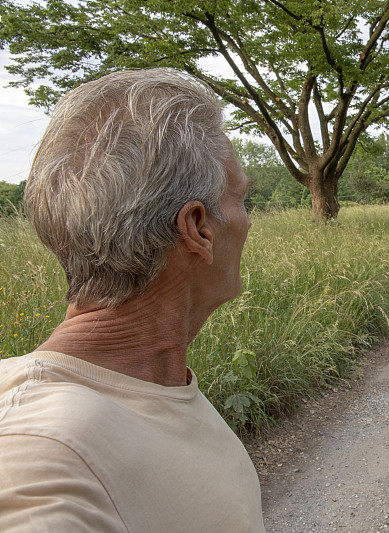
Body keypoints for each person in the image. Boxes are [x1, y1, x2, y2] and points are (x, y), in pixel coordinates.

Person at [0, 68, 265, 531]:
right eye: (241, 199)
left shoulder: (155, 386)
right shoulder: (40, 446)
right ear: (198, 229)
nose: (248, 222)